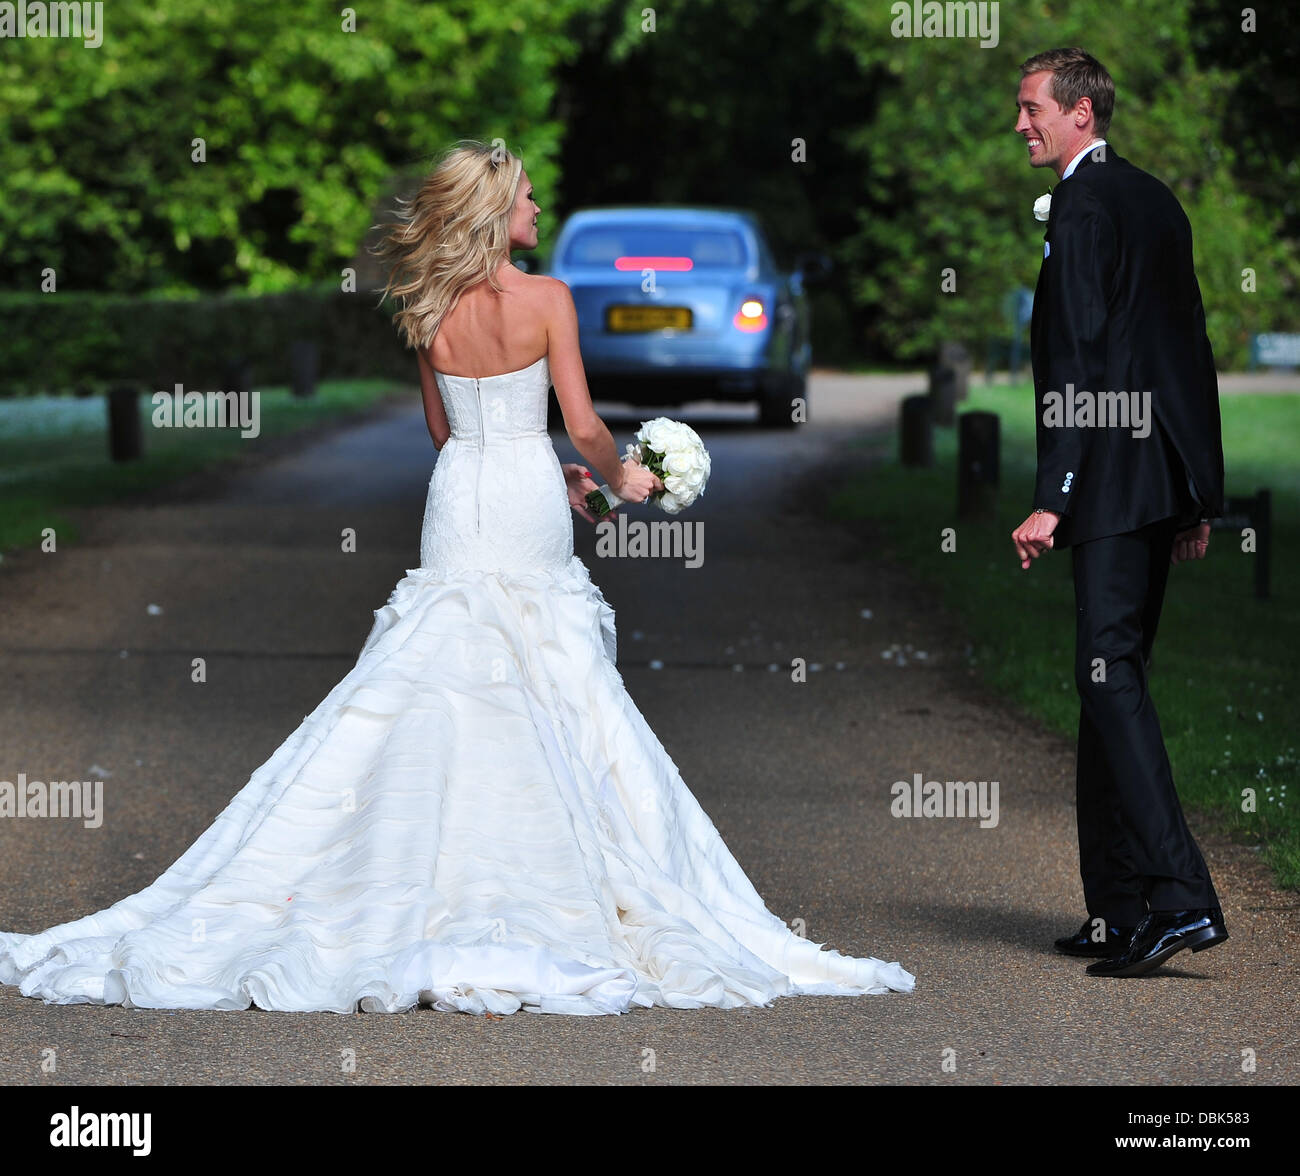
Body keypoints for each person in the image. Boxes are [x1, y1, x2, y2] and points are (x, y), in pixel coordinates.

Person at [0, 141, 913, 1014]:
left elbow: (445, 433)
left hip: (462, 489)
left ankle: (397, 875)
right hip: (520, 494)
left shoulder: (427, 306)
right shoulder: (549, 299)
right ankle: (543, 874)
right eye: (525, 199)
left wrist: (542, 466)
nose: (538, 209)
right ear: (494, 213)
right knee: (549, 674)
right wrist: (621, 477)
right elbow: (585, 423)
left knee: (430, 669)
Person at [1009, 50, 1228, 977]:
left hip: (1107, 480)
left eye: (1031, 111)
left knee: (1107, 679)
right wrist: (1198, 490)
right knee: (1111, 675)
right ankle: (1118, 908)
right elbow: (1191, 345)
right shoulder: (1156, 198)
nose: (1021, 126)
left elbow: (1081, 363)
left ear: (1081, 113)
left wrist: (1052, 497)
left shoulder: (1084, 205)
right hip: (1158, 478)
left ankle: (1181, 900)